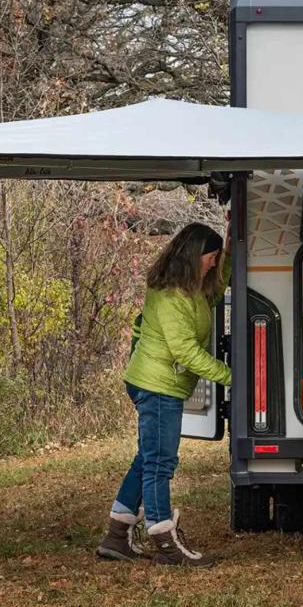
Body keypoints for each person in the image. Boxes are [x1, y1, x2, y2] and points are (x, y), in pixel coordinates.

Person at [95, 222, 231, 567]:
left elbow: (217, 291)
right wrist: (231, 376)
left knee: (147, 458)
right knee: (160, 462)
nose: (213, 264)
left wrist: (231, 246)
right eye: (210, 258)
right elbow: (185, 350)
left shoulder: (193, 290)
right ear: (193, 256)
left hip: (159, 384)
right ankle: (164, 540)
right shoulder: (171, 295)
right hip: (156, 387)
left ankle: (116, 536)